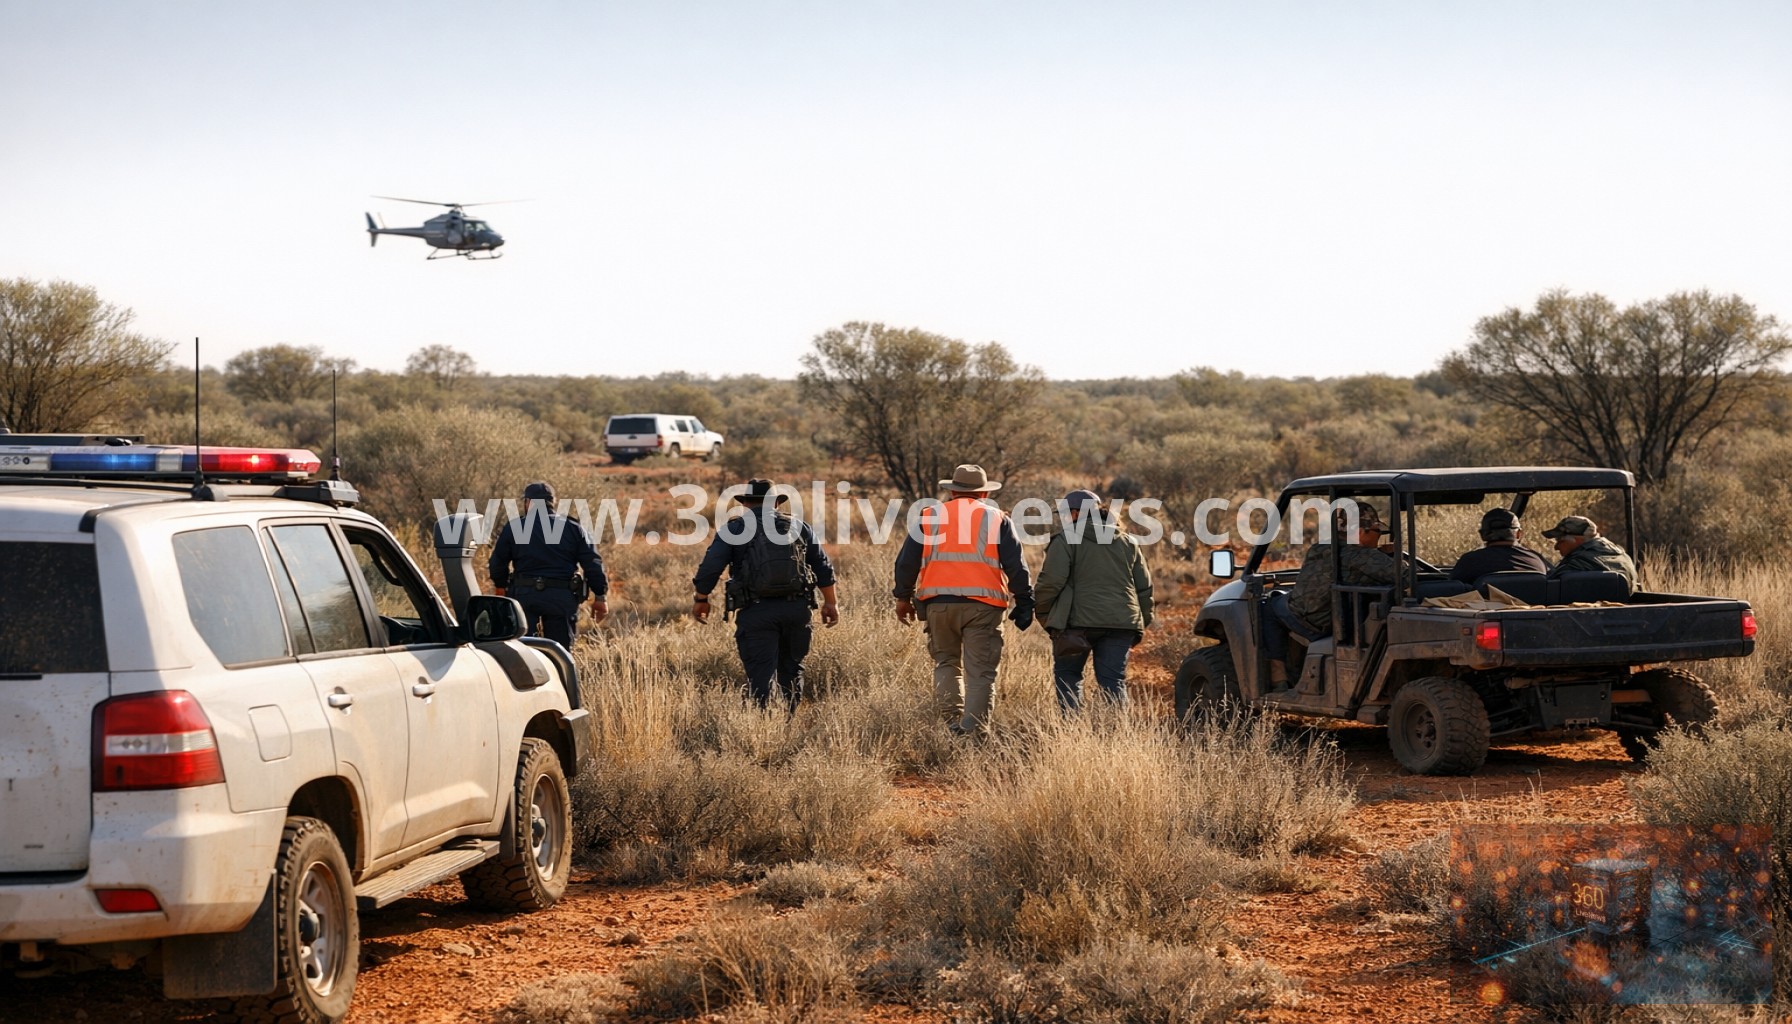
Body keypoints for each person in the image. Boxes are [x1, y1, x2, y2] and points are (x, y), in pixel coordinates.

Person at [892, 464, 1035, 736]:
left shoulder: (930, 515)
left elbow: (906, 563)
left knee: (946, 663)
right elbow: (1016, 565)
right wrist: (1025, 599)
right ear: (983, 493)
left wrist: (902, 598)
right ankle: (973, 733)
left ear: (952, 491)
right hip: (984, 605)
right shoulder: (997, 519)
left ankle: (949, 727)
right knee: (980, 672)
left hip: (938, 604)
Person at [692, 479, 839, 711]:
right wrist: (831, 602)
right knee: (791, 670)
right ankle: (788, 724)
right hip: (796, 611)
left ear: (746, 503)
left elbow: (711, 567)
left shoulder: (735, 529)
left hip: (756, 611)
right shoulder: (799, 527)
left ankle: (763, 727)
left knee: (760, 673)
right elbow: (822, 567)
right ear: (777, 503)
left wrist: (701, 598)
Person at [1034, 489, 1153, 711]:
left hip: (1075, 625)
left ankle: (1072, 732)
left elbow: (1050, 583)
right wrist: (1140, 623)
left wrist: (1043, 614)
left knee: (1068, 676)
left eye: (1066, 513)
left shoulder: (1065, 540)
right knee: (1113, 683)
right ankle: (1119, 737)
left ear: (1077, 513)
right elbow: (1144, 589)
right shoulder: (1128, 542)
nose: (1064, 519)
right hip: (1121, 624)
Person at [1263, 502, 1398, 688]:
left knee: (1269, 606)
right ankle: (1282, 674)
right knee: (1272, 607)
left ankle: (1279, 677)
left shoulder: (1320, 548)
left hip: (1308, 619)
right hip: (1336, 625)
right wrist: (1388, 556)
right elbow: (1404, 577)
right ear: (1360, 533)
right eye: (1377, 531)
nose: (1379, 537)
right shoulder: (1367, 558)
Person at [487, 480, 608, 647]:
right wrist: (600, 597)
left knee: (523, 651)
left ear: (528, 502)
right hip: (561, 597)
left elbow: (497, 563)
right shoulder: (573, 528)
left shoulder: (514, 527)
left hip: (524, 596)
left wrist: (500, 587)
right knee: (561, 653)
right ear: (553, 502)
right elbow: (592, 563)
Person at [1449, 507, 1550, 583]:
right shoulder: (1537, 559)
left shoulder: (1469, 561)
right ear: (1519, 534)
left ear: (1483, 535)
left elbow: (1452, 591)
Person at [1542, 515, 1638, 590]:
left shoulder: (1578, 564)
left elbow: (1546, 587)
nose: (1556, 547)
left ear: (1577, 540)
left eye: (1560, 540)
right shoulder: (1621, 555)